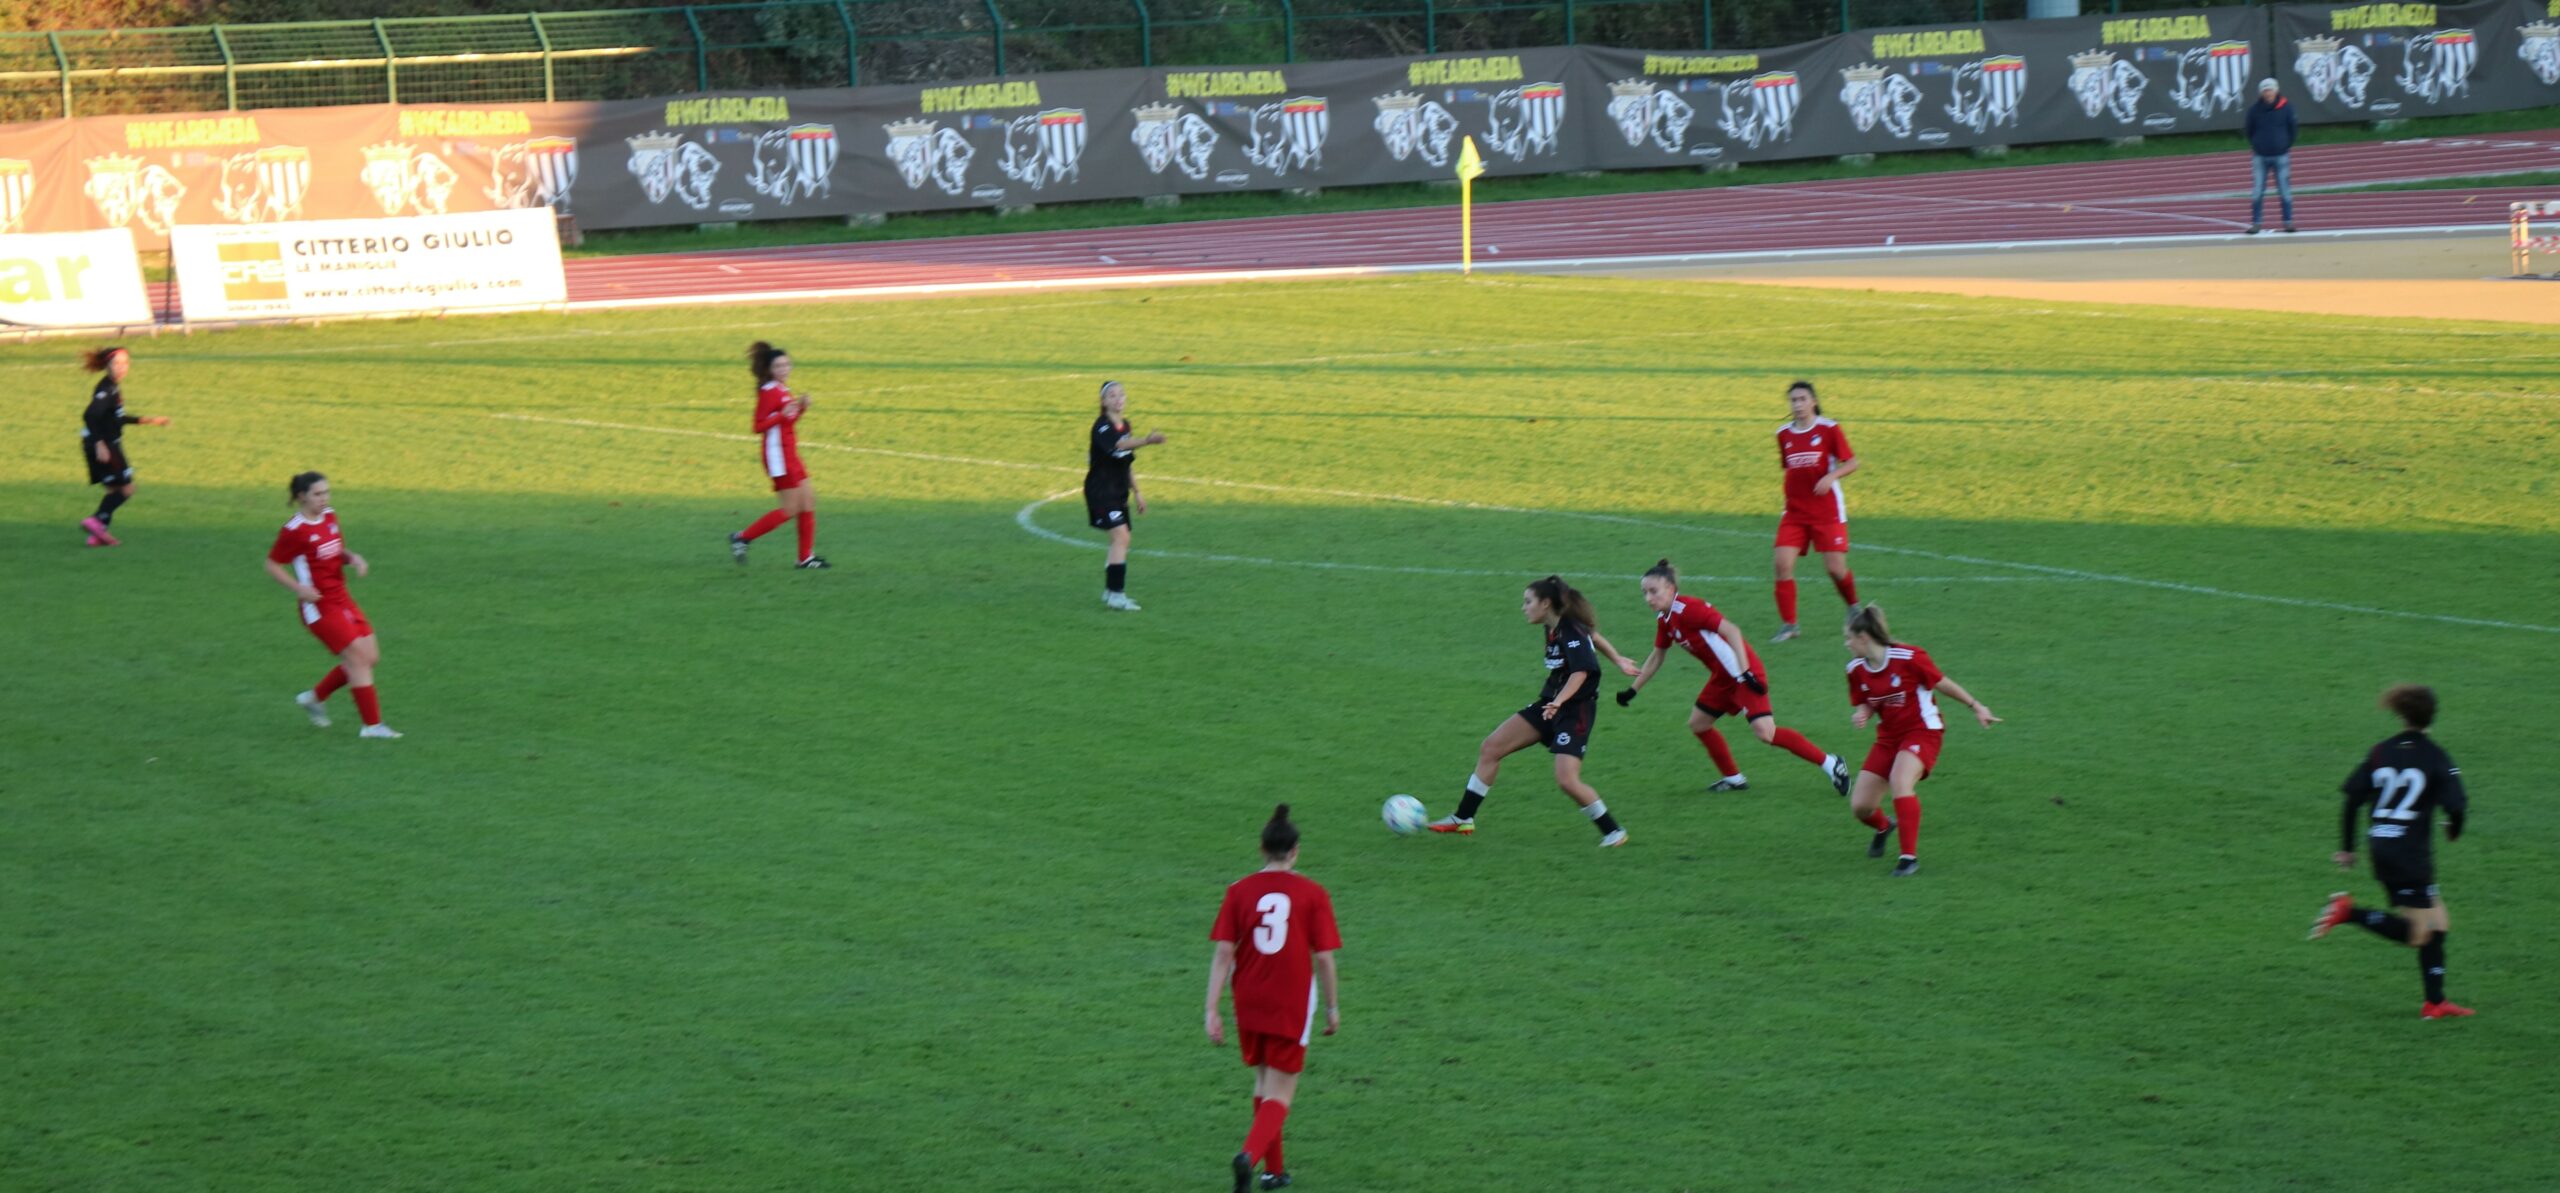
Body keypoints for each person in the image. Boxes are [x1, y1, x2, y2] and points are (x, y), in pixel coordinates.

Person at [1428, 576, 1631, 847]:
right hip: (1549, 705)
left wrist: (1559, 702)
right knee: (1491, 747)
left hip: (1574, 711)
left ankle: (1613, 831)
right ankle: (1463, 817)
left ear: (1545, 604)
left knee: (1567, 780)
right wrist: (1617, 658)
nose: (1523, 607)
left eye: (1528, 602)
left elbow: (1581, 672)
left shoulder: (1570, 632)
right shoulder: (1554, 626)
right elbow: (1593, 636)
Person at [2307, 685, 2472, 1019]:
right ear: (2432, 716)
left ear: (2401, 715)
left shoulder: (2380, 752)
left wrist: (2347, 848)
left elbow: (2352, 797)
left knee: (2439, 923)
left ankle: (2435, 1002)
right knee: (2417, 934)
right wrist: (2452, 830)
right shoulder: (2437, 756)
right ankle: (2347, 912)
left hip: (2382, 846)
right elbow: (2457, 805)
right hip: (2409, 856)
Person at [1619, 559, 1851, 795]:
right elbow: (1658, 656)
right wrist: (1633, 689)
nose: (1648, 598)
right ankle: (1733, 778)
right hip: (1723, 678)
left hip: (1743, 672)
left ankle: (1832, 764)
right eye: (1644, 593)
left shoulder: (1690, 609)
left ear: (1670, 588)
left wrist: (1744, 672)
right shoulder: (1665, 620)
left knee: (1766, 733)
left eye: (1653, 591)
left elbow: (1732, 631)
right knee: (1698, 724)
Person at [1206, 804, 1341, 1193]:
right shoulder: (1312, 894)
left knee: (1264, 1082)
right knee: (1281, 1093)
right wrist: (1332, 1008)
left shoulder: (1238, 891)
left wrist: (1211, 1009)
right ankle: (1249, 1156)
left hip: (1248, 1001)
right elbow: (1325, 959)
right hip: (1289, 1005)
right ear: (1295, 850)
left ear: (1260, 849)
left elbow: (1222, 954)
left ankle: (1273, 1172)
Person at [1841, 604, 1996, 876]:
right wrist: (1862, 714)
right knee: (1861, 807)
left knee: (1901, 780)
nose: (1847, 644)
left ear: (1864, 638)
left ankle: (1908, 859)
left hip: (1922, 731)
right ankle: (1884, 826)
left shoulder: (1909, 657)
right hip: (1888, 737)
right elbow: (1867, 701)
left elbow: (1941, 682)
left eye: (1849, 638)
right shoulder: (1855, 669)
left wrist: (1976, 706)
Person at [263, 472, 400, 739]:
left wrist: (352, 557)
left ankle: (314, 698)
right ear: (302, 496)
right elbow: (272, 564)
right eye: (317, 494)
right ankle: (372, 726)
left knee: (370, 657)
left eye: (326, 492)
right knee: (358, 660)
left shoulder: (329, 516)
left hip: (342, 597)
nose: (324, 498)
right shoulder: (294, 530)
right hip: (318, 606)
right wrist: (299, 589)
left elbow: (335, 550)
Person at [726, 341, 828, 569]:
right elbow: (758, 425)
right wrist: (782, 414)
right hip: (778, 457)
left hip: (790, 452)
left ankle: (805, 558)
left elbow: (786, 421)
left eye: (787, 364)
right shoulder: (769, 392)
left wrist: (800, 408)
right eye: (779, 366)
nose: (784, 368)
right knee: (790, 509)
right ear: (770, 369)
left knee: (808, 501)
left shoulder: (782, 389)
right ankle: (742, 538)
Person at [1769, 380, 1858, 643]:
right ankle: (1789, 625)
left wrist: (1832, 477)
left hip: (1827, 511)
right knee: (1782, 564)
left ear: (1813, 402)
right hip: (1794, 513)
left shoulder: (1829, 429)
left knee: (1835, 569)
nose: (1797, 405)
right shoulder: (1783, 434)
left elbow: (1852, 462)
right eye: (1793, 400)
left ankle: (1853, 607)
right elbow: (1789, 469)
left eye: (1802, 399)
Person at [1085, 380, 1165, 611]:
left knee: (1120, 540)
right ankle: (1117, 595)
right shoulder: (1101, 427)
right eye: (1112, 395)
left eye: (1121, 394)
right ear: (1103, 402)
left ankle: (1110, 592)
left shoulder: (1125, 425)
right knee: (1121, 538)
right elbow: (1120, 446)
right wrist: (1147, 441)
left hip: (1118, 491)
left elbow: (1126, 463)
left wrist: (1137, 492)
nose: (1118, 398)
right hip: (1101, 491)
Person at [77, 345, 169, 547]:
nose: (121, 367)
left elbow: (117, 418)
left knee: (113, 491)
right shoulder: (106, 388)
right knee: (127, 488)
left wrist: (150, 420)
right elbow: (90, 415)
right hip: (105, 445)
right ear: (107, 365)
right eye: (116, 363)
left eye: (125, 363)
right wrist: (100, 444)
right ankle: (95, 521)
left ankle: (97, 535)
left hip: (96, 443)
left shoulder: (112, 387)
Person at [2244, 78, 2298, 235]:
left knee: (2284, 190)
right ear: (2261, 93)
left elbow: (2293, 129)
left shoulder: (2287, 108)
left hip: (2281, 156)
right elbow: (2249, 130)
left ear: (2276, 91)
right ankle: (2256, 223)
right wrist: (2256, 144)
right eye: (2265, 90)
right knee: (2257, 191)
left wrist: (2285, 144)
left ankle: (2288, 222)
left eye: (2270, 90)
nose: (2268, 93)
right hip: (2260, 156)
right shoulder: (2254, 110)